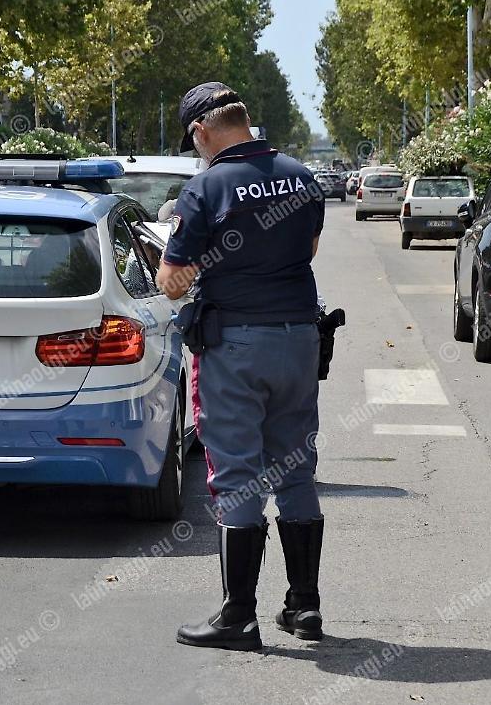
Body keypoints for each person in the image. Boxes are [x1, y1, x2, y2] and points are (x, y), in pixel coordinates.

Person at [155, 82, 326, 651]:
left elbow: (174, 282)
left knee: (236, 475)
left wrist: (184, 261)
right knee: (296, 468)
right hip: (300, 335)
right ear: (244, 121)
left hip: (236, 343)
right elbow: (312, 248)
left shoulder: (204, 188)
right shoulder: (302, 177)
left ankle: (239, 617)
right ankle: (305, 606)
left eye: (192, 141)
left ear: (201, 131)